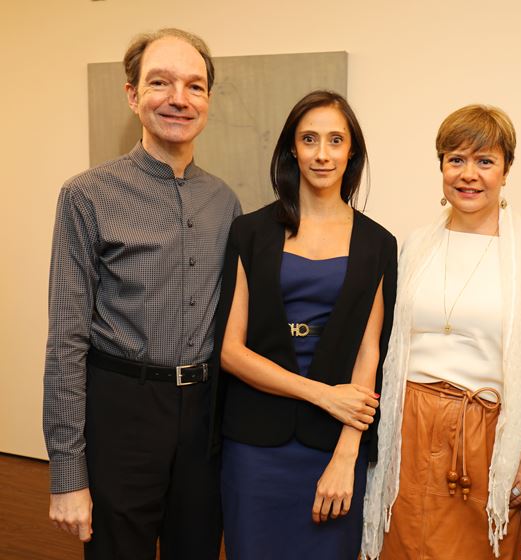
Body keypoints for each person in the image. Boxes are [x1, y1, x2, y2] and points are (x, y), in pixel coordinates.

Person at [43, 28, 240, 559]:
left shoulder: (225, 202)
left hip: (204, 414)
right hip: (121, 411)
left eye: (194, 86)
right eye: (161, 82)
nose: (179, 98)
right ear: (132, 95)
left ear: (208, 101)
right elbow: (65, 340)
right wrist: (66, 474)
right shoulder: (86, 196)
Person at [363, 105, 521, 559]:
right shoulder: (415, 244)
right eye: (455, 159)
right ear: (441, 166)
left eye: (485, 161)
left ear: (506, 170)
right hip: (405, 428)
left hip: (483, 436)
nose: (469, 175)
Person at [215, 90, 397, 559]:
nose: (322, 153)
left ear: (351, 150)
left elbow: (368, 355)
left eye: (335, 140)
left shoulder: (379, 243)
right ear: (292, 149)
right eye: (309, 139)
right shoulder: (250, 232)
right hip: (254, 445)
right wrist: (321, 393)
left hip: (332, 445)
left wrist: (346, 455)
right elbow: (231, 352)